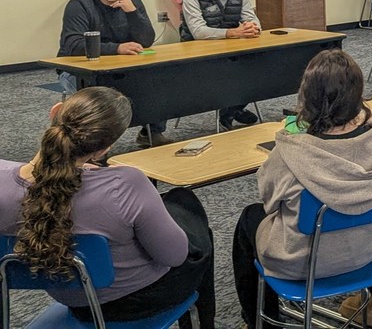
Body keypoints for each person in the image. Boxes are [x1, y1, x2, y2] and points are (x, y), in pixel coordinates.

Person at [0, 87, 215, 327]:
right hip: (136, 301)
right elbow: (174, 257)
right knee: (187, 208)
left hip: (70, 297)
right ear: (103, 150)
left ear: (55, 112)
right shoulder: (125, 184)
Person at [232, 50, 372, 329]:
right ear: (358, 93)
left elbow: (269, 201)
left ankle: (262, 322)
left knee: (249, 218)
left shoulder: (290, 152)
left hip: (302, 263)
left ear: (307, 95)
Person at [57, 0, 161, 146]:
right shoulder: (79, 5)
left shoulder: (132, 1)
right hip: (78, 70)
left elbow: (146, 41)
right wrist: (116, 48)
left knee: (159, 80)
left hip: (121, 67)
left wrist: (132, 12)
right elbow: (73, 45)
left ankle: (152, 133)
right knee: (100, 102)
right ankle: (93, 147)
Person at [180, 0, 262, 130]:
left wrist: (252, 27)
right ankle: (232, 108)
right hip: (199, 54)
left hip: (231, 50)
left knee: (261, 69)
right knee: (231, 75)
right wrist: (233, 32)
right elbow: (198, 32)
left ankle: (232, 109)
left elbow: (253, 19)